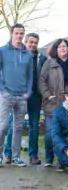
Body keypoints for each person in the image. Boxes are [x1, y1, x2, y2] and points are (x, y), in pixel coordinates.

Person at [4, 33, 47, 165]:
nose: (33, 45)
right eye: (31, 42)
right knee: (14, 124)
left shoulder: (42, 58)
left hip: (35, 95)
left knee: (34, 125)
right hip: (18, 94)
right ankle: (8, 154)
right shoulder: (17, 55)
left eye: (35, 43)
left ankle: (33, 155)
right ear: (26, 42)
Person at [39, 38, 68, 167]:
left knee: (67, 132)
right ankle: (48, 158)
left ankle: (62, 158)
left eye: (65, 46)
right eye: (60, 47)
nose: (63, 48)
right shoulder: (49, 63)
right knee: (49, 133)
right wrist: (47, 95)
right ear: (55, 49)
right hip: (54, 103)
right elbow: (41, 80)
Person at [0, 23, 33, 167]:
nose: (19, 36)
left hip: (22, 97)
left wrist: (28, 93)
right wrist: (3, 90)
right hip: (7, 95)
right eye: (17, 33)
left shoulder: (28, 54)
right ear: (11, 34)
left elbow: (30, 76)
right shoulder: (2, 51)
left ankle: (15, 157)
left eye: (21, 33)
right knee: (3, 126)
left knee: (18, 128)